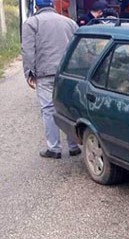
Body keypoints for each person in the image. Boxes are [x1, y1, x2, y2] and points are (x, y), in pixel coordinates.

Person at [21, 0, 80, 159]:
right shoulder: (70, 22)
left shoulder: (31, 23)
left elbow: (27, 51)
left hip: (45, 73)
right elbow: (77, 48)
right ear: (52, 5)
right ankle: (74, 146)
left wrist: (29, 73)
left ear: (36, 7)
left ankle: (54, 148)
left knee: (48, 109)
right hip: (67, 73)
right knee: (68, 107)